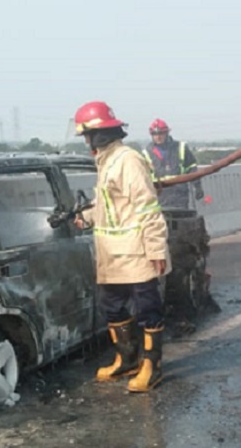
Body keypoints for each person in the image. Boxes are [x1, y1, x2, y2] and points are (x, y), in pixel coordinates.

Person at [72, 101, 171, 392]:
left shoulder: (127, 160)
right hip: (112, 254)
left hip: (137, 251)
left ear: (97, 134)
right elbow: (108, 205)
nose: (86, 142)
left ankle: (152, 367)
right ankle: (127, 360)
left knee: (147, 309)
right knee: (111, 307)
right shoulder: (106, 161)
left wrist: (155, 249)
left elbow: (148, 207)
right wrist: (86, 217)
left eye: (87, 136)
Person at [141, 118, 205, 209]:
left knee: (182, 221)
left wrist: (197, 186)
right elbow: (142, 176)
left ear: (167, 133)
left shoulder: (180, 148)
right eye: (155, 134)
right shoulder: (146, 153)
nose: (158, 137)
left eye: (161, 133)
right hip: (159, 198)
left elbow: (192, 168)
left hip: (179, 196)